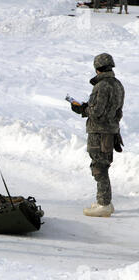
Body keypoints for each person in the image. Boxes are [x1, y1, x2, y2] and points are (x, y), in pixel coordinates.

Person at [69, 53, 124, 217]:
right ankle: (104, 200)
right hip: (111, 131)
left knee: (99, 167)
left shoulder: (102, 86)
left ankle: (104, 204)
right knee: (103, 165)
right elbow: (116, 110)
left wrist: (82, 109)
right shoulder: (118, 85)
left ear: (97, 68)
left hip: (99, 132)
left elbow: (97, 111)